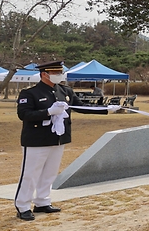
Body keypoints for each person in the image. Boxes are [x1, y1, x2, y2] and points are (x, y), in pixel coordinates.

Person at [15, 61, 117, 221]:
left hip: (58, 138)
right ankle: (23, 206)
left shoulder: (65, 91)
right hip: (36, 139)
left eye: (60, 72)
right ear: (44, 74)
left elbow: (81, 107)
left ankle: (42, 201)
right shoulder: (30, 93)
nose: (60, 75)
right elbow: (24, 115)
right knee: (30, 174)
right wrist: (48, 112)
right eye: (56, 72)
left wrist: (105, 109)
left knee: (50, 173)